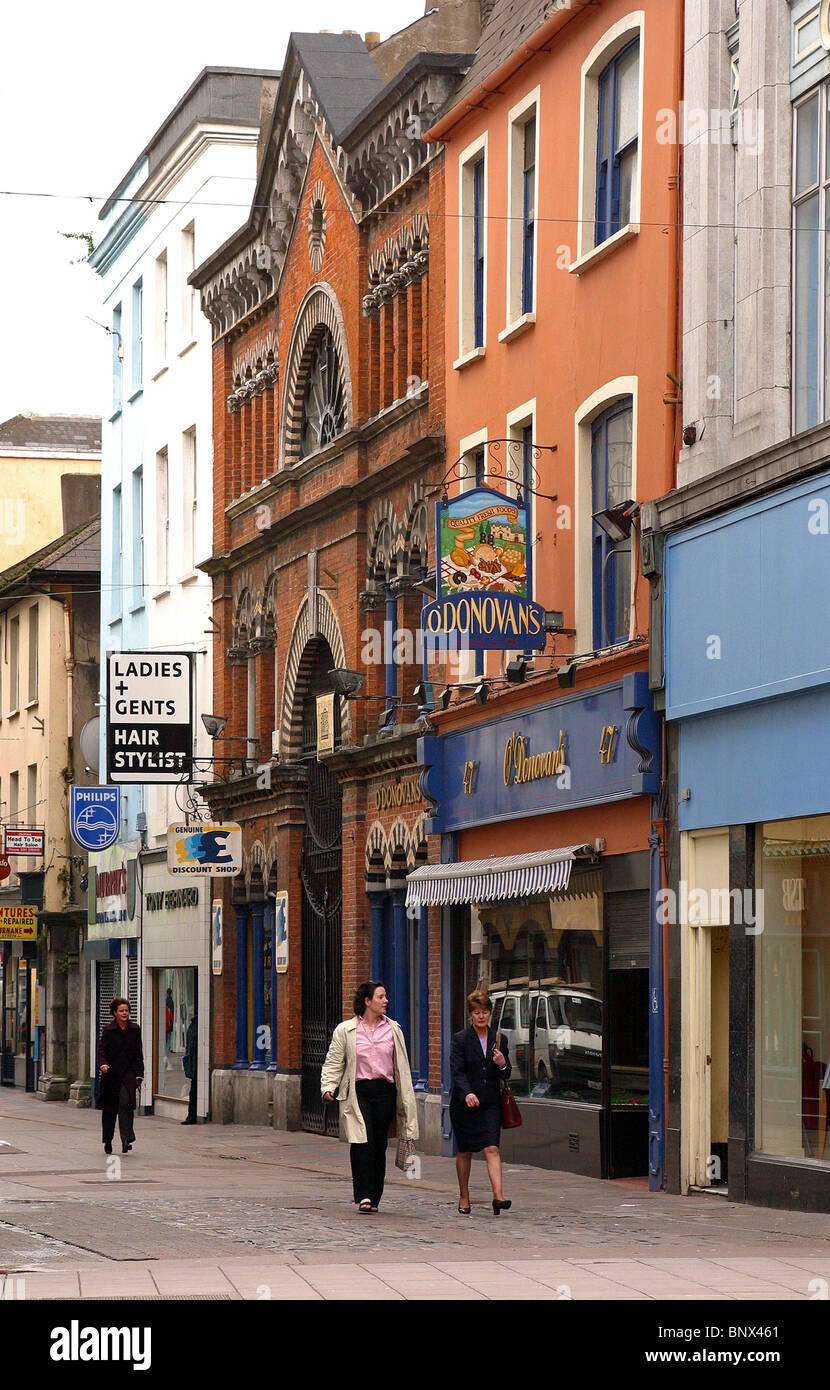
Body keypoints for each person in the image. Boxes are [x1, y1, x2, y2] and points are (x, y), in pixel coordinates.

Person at [321, 981, 418, 1214]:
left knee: (379, 1144)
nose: (386, 1001)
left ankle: (375, 1196)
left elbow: (401, 1065)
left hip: (385, 1091)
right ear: (367, 1001)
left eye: (385, 997)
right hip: (359, 1091)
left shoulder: (393, 1029)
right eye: (381, 997)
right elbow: (335, 1061)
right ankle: (363, 1194)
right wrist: (328, 1086)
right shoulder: (346, 1030)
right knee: (362, 1141)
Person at [450, 990, 513, 1215]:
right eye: (477, 1013)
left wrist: (502, 1062)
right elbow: (457, 1072)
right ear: (470, 1015)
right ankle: (464, 1196)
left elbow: (507, 1073)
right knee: (465, 1151)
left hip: (489, 1103)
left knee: (492, 1147)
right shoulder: (460, 1039)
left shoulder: (499, 1039)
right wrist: (466, 1093)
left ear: (490, 1014)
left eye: (484, 1012)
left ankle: (498, 1196)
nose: (481, 1017)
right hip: (464, 1105)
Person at [97, 997, 144, 1156]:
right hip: (111, 1074)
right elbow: (101, 1051)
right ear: (115, 1013)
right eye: (121, 1011)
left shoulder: (135, 1030)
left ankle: (126, 1138)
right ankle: (108, 1140)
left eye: (126, 1011)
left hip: (128, 1074)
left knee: (126, 1103)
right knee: (110, 1110)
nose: (125, 1013)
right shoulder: (108, 1030)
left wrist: (139, 1074)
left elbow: (139, 1054)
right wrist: (103, 1064)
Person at [181, 1017, 197, 1125]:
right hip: (195, 1064)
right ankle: (192, 1116)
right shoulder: (194, 1025)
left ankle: (192, 1116)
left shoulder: (193, 1025)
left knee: (194, 1091)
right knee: (194, 1090)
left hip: (195, 1064)